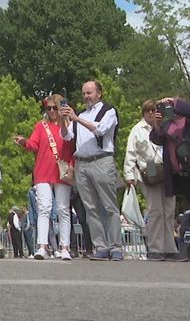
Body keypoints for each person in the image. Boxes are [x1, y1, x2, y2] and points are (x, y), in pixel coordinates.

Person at [61, 81, 122, 261]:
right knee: (91, 208)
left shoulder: (108, 111)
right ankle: (100, 246)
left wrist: (76, 119)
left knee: (109, 205)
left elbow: (101, 130)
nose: (86, 96)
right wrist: (65, 121)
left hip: (101, 160)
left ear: (99, 93)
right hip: (82, 164)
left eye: (90, 93)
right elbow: (67, 136)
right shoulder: (80, 115)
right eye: (84, 93)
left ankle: (116, 246)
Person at [14, 95, 74, 260]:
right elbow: (34, 144)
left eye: (55, 107)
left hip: (62, 171)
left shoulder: (69, 125)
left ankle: (65, 247)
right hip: (43, 171)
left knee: (63, 209)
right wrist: (24, 142)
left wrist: (72, 165)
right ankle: (42, 246)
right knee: (44, 208)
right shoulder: (41, 126)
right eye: (49, 108)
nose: (53, 111)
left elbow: (74, 147)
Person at [149, 97, 190, 263]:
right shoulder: (168, 125)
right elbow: (156, 138)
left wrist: (174, 101)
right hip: (184, 177)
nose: (169, 108)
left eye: (170, 106)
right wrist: (157, 124)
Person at [124, 100, 180, 261]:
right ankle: (155, 247)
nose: (151, 113)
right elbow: (130, 153)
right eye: (148, 111)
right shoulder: (137, 130)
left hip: (167, 169)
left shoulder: (166, 126)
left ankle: (170, 247)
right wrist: (129, 175)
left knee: (169, 210)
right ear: (144, 112)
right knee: (155, 210)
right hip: (149, 168)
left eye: (154, 110)